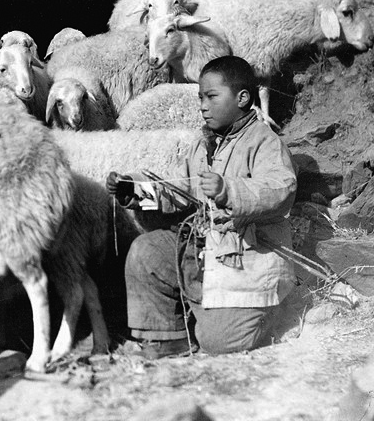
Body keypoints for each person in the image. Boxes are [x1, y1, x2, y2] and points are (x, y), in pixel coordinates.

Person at [106, 55, 297, 359]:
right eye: (200, 98)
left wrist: (228, 190)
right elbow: (179, 191)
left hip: (249, 256)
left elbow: (281, 189)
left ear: (242, 98)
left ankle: (268, 314)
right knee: (147, 251)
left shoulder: (265, 142)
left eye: (211, 96)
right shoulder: (203, 144)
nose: (203, 106)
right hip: (206, 249)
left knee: (217, 342)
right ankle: (170, 338)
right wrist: (136, 191)